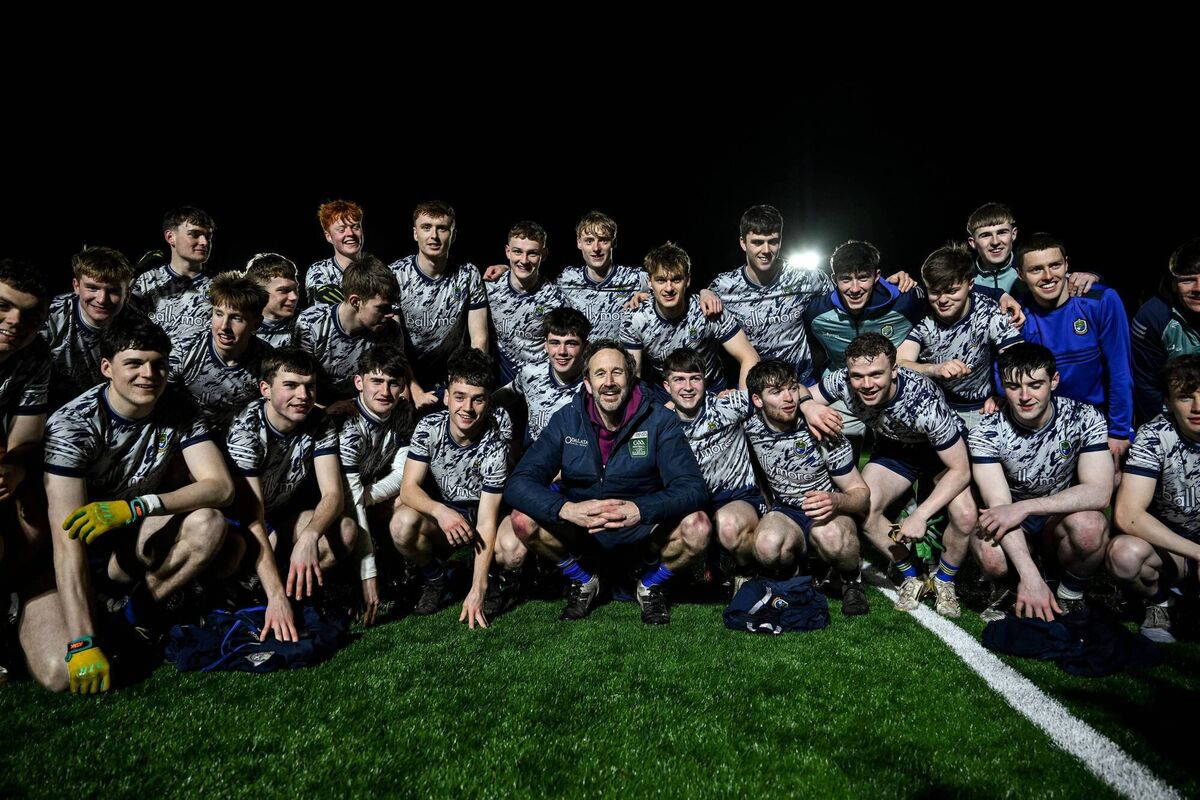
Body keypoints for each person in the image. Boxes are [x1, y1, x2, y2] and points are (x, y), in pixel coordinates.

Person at [33, 315, 235, 693]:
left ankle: (131, 619)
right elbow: (67, 541)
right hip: (62, 560)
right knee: (59, 677)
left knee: (208, 524)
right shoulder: (73, 424)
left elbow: (221, 488)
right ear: (107, 368)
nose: (149, 374)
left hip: (123, 546)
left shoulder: (176, 405)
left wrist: (139, 506)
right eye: (135, 363)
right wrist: (81, 642)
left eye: (159, 363)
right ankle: (38, 618)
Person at [504, 340, 709, 624]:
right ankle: (583, 580)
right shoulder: (567, 420)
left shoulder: (660, 420)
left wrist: (640, 510)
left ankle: (650, 584)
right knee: (522, 520)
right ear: (587, 382)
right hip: (582, 535)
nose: (609, 382)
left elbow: (693, 489)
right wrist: (566, 509)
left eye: (617, 373)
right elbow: (518, 483)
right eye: (600, 374)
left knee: (698, 527)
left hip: (642, 536)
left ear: (630, 377)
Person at [814, 334, 976, 616]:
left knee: (965, 515)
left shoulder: (923, 403)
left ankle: (945, 580)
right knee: (865, 506)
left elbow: (960, 470)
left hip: (938, 452)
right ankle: (911, 574)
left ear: (894, 371)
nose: (866, 384)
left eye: (876, 374)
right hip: (895, 448)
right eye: (858, 376)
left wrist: (921, 515)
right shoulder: (842, 380)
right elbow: (804, 393)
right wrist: (808, 406)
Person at [969, 344, 1112, 621]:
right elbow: (1000, 507)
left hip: (1054, 518)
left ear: (1054, 381)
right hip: (1011, 519)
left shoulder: (1084, 418)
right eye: (1013, 386)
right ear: (1002, 386)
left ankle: (1070, 592)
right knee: (989, 553)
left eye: (1035, 385)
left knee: (1090, 526)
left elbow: (1100, 492)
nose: (1025, 396)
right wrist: (1029, 576)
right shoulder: (986, 431)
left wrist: (1027, 507)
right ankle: (1013, 588)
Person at [226, 347, 358, 644]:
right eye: (290, 385)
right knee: (233, 548)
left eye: (309, 386)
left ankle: (287, 594)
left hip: (277, 518)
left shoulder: (318, 421)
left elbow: (333, 495)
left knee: (346, 531)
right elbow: (251, 518)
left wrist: (309, 537)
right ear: (265, 389)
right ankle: (250, 594)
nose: (303, 395)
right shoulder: (246, 430)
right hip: (237, 527)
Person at [391, 348, 508, 628]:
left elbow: (487, 520)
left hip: (483, 512)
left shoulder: (495, 446)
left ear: (488, 402)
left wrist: (476, 588)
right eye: (459, 397)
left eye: (477, 399)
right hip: (448, 513)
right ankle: (435, 578)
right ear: (446, 396)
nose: (467, 408)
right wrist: (441, 512)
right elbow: (408, 488)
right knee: (402, 521)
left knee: (512, 548)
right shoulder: (428, 427)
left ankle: (494, 580)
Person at [1014, 232, 1133, 478]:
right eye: (1036, 269)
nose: (1048, 276)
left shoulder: (1101, 301)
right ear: (1020, 275)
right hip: (1044, 422)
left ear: (1068, 264)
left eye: (1055, 265)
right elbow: (1005, 369)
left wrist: (1120, 431)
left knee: (1112, 485)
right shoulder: (1019, 314)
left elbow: (1120, 369)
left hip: (1097, 420)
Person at [1108, 355, 1200, 643]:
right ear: (1168, 402)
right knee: (1124, 555)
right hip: (1175, 550)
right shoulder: (1154, 436)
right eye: (1185, 397)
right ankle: (1161, 604)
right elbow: (1127, 514)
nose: (1198, 407)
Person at [660, 348, 762, 588]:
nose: (687, 387)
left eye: (695, 378)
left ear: (705, 381)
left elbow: (777, 394)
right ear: (667, 386)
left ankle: (746, 572)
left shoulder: (727, 404)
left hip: (735, 497)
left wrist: (809, 405)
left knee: (729, 526)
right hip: (690, 502)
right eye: (679, 379)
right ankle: (677, 573)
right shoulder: (660, 421)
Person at [897, 243, 1023, 430]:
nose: (943, 300)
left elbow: (1019, 358)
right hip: (933, 406)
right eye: (935, 292)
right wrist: (934, 369)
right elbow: (900, 363)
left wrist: (1005, 395)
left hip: (982, 409)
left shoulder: (990, 312)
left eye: (951, 291)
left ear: (970, 284)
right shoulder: (922, 315)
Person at [622, 242, 759, 403]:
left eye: (676, 279)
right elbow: (634, 376)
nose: (669, 288)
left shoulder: (708, 310)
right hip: (666, 393)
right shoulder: (635, 318)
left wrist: (741, 403)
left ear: (687, 280)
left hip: (712, 388)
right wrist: (652, 414)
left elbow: (749, 356)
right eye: (660, 280)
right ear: (649, 282)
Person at [338, 346, 416, 627]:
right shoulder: (346, 423)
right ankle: (344, 583)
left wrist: (367, 495)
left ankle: (399, 572)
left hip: (364, 494)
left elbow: (402, 476)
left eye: (393, 383)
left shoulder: (403, 413)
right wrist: (366, 575)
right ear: (359, 382)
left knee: (404, 504)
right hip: (331, 503)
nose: (385, 391)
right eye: (377, 381)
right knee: (347, 524)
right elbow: (348, 498)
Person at [390, 201, 488, 406]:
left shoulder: (468, 274)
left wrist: (463, 384)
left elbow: (479, 338)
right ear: (415, 233)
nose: (433, 236)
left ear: (452, 234)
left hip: (452, 376)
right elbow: (393, 342)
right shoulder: (395, 275)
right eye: (426, 228)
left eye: (441, 228)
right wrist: (414, 388)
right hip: (406, 375)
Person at [42, 246, 144, 409]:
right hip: (52, 407)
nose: (102, 299)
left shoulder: (138, 324)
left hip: (112, 408)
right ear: (76, 286)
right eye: (92, 288)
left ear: (128, 294)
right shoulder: (51, 315)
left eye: (113, 291)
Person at [294, 256, 405, 403]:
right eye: (382, 308)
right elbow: (297, 383)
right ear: (355, 301)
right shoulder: (311, 324)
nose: (390, 314)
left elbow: (391, 381)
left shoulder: (391, 331)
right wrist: (324, 411)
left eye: (391, 306)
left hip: (363, 406)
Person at [169, 272, 272, 432]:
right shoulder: (184, 348)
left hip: (235, 437)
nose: (224, 326)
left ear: (256, 323)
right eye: (218, 314)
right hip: (183, 432)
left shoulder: (267, 360)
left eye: (236, 318)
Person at [485, 220, 570, 383]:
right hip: (499, 374)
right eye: (517, 252)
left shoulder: (556, 300)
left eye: (532, 253)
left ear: (543, 255)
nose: (523, 260)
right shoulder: (490, 287)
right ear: (507, 251)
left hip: (538, 380)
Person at [1130, 237, 1200, 424]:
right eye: (1188, 281)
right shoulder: (1153, 316)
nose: (1198, 289)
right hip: (1176, 417)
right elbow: (1147, 385)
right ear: (1173, 284)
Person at [132, 206, 217, 344]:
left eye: (208, 236)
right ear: (170, 237)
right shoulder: (146, 282)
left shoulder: (219, 285)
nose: (204, 242)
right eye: (194, 234)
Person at [307, 200, 365, 304]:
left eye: (355, 227)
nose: (350, 233)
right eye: (341, 229)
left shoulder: (377, 268)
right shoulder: (321, 271)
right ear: (328, 237)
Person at [246, 252, 301, 348]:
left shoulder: (308, 324)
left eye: (295, 289)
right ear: (259, 293)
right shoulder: (238, 324)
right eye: (284, 290)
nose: (294, 297)